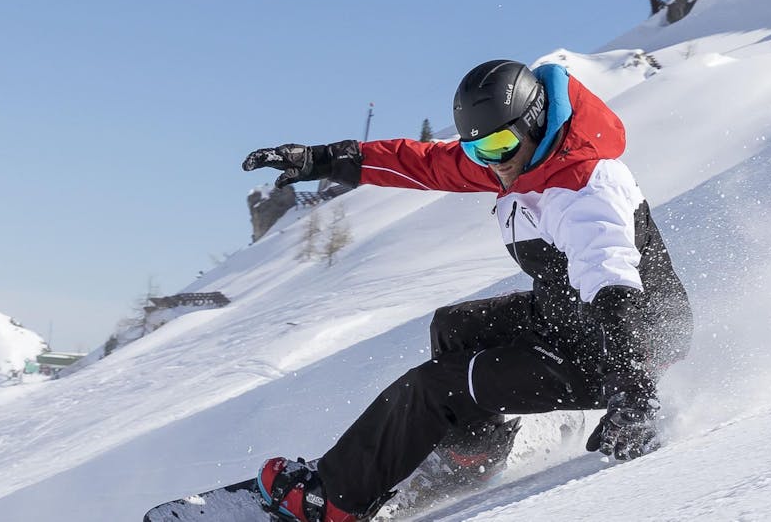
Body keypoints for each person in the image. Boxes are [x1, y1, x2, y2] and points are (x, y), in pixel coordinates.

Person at [240, 59, 693, 522]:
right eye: (478, 150)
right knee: (455, 327)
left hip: (625, 346)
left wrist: (633, 396)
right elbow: (425, 163)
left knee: (437, 386)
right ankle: (472, 456)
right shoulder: (520, 160)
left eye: (498, 145)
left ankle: (335, 501)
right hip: (568, 317)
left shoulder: (584, 186)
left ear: (535, 120)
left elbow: (613, 285)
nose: (490, 162)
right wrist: (323, 159)